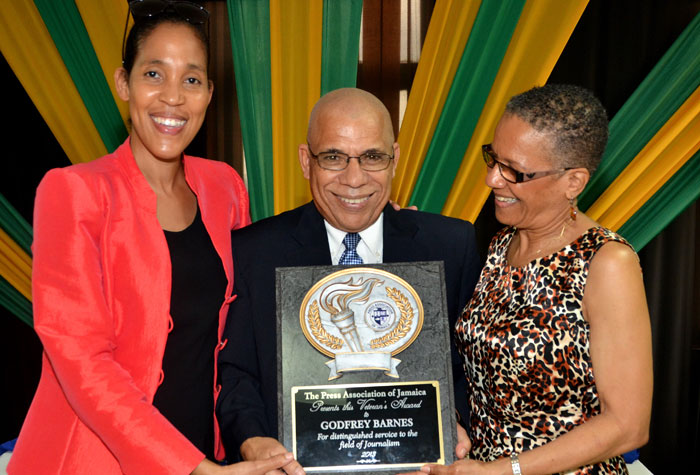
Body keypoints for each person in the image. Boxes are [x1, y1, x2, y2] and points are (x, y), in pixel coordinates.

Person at [8, 2, 291, 474]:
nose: (173, 98)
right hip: (92, 461)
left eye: (192, 79)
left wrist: (362, 223)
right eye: (154, 74)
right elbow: (83, 361)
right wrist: (191, 468)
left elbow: (253, 308)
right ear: (125, 83)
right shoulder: (72, 192)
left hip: (210, 451)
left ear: (209, 93)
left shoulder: (225, 187)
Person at [216, 88, 481, 473]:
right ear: (307, 161)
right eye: (334, 157)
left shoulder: (451, 245)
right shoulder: (253, 252)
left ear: (395, 160)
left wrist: (450, 418)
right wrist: (253, 440)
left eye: (372, 157)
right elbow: (235, 371)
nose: (354, 179)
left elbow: (471, 364)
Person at [405, 84, 653, 475]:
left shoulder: (607, 263)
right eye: (492, 159)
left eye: (514, 171)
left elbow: (628, 426)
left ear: (573, 181)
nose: (492, 180)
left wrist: (504, 470)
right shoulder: (501, 246)